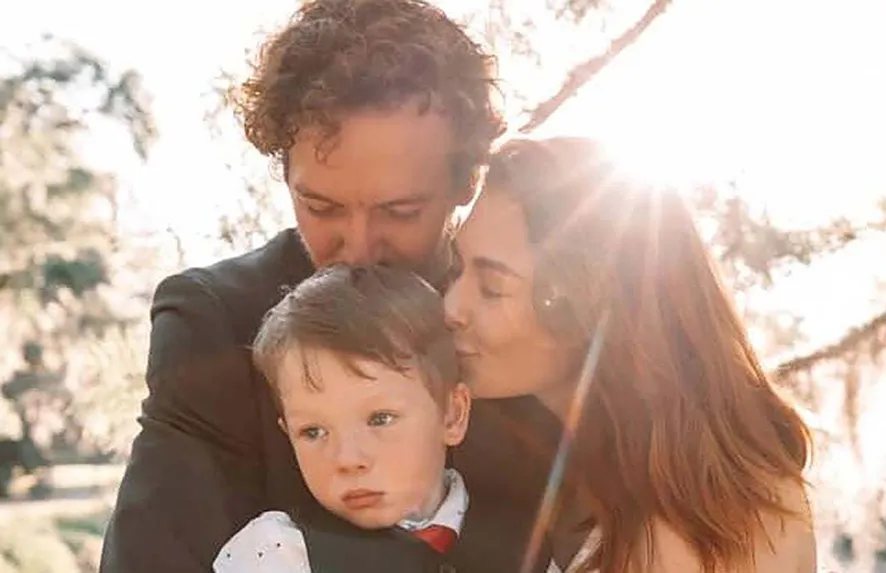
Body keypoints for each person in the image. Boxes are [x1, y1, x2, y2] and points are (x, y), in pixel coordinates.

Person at [100, 2, 556, 572]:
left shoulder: (523, 318)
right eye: (322, 207)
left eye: (401, 210)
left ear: (467, 180)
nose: (359, 249)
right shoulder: (214, 322)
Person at [445, 137, 818, 573]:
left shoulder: (694, 525)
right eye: (456, 269)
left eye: (492, 288)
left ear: (587, 304)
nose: (451, 308)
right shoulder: (603, 468)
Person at [213, 265, 473, 572]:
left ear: (452, 415)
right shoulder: (280, 555)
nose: (347, 459)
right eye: (313, 432)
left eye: (380, 419)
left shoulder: (529, 538)